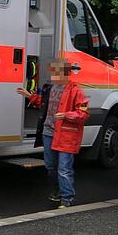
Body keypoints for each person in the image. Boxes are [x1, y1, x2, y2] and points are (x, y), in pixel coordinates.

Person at [17, 59, 89, 208]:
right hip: (48, 132)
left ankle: (67, 198)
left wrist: (66, 115)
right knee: (51, 166)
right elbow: (42, 103)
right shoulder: (50, 89)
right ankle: (57, 192)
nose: (54, 76)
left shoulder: (76, 90)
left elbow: (83, 114)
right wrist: (28, 95)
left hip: (66, 134)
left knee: (64, 168)